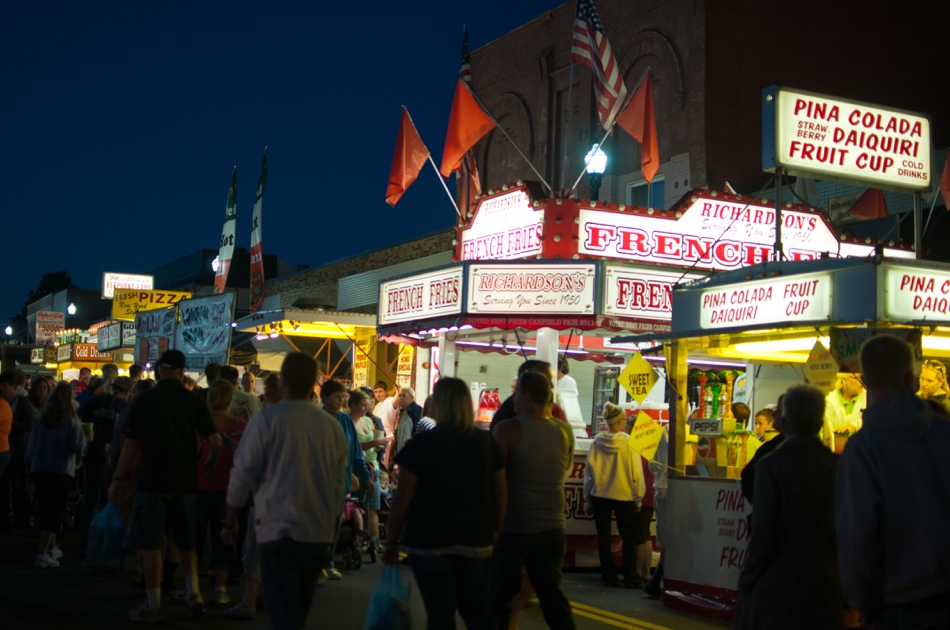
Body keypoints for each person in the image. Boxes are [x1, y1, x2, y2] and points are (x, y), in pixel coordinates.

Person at [222, 352, 348, 630]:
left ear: (283, 381)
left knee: (283, 614)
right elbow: (338, 485)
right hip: (316, 533)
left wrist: (229, 522)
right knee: (297, 611)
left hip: (276, 530)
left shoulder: (267, 420)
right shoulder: (331, 427)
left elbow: (241, 475)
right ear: (315, 384)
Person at [837, 335, 950, 628]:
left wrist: (861, 601)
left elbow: (858, 534)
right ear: (909, 378)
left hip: (894, 602)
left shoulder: (862, 448)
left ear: (864, 379)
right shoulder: (945, 433)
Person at [382, 377, 506, 629]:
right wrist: (496, 530)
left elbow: (403, 497)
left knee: (440, 614)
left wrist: (391, 540)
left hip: (430, 538)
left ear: (439, 405)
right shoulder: (486, 442)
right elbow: (501, 492)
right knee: (476, 609)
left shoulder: (421, 444)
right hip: (476, 537)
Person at [108, 350, 222, 623]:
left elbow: (131, 444)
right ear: (183, 371)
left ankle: (153, 604)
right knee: (185, 541)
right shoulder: (192, 400)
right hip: (185, 482)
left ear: (159, 369)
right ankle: (194, 593)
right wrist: (208, 464)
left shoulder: (145, 400)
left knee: (151, 544)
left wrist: (117, 478)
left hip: (152, 482)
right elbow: (215, 441)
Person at [736, 385, 842, 630]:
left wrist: (748, 579)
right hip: (827, 582)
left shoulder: (771, 467)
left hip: (780, 581)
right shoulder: (838, 466)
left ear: (782, 420)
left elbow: (764, 535)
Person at [491, 372, 576, 630]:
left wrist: (495, 527)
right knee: (552, 594)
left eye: (517, 393)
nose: (513, 397)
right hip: (553, 525)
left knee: (498, 596)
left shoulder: (507, 430)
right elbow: (565, 470)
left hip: (515, 526)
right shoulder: (564, 431)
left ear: (527, 396)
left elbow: (497, 484)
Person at [193, 380, 245, 605]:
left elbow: (193, 452)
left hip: (199, 486)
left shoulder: (201, 424)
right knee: (223, 536)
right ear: (231, 401)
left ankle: (192, 586)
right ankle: (220, 588)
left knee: (195, 537)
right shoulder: (239, 425)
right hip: (229, 488)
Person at [24, 381, 87, 568]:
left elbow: (31, 446)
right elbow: (77, 446)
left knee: (45, 509)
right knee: (55, 513)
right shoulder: (71, 420)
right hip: (60, 470)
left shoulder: (41, 419)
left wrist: (29, 469)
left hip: (40, 468)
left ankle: (51, 548)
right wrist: (87, 441)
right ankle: (42, 553)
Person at [582, 402, 645, 588]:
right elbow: (636, 473)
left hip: (600, 496)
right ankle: (630, 576)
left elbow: (589, 474)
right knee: (628, 537)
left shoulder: (596, 443)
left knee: (603, 536)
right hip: (624, 495)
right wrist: (638, 497)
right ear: (619, 422)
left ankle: (608, 576)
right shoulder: (629, 443)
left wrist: (588, 497)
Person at [319, 379, 372, 580]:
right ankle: (316, 563)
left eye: (342, 396)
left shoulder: (346, 421)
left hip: (340, 483)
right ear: (324, 397)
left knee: (334, 524)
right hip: (317, 483)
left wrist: (365, 476)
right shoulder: (318, 418)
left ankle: (328, 562)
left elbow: (356, 453)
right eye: (336, 396)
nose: (341, 400)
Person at [78, 376, 132, 553]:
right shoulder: (126, 409)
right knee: (107, 502)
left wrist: (90, 440)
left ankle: (85, 541)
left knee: (89, 500)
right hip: (111, 461)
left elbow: (80, 421)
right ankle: (103, 543)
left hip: (91, 456)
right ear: (128, 392)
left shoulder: (94, 401)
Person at [347, 390, 387, 562]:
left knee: (373, 507)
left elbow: (373, 443)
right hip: (358, 469)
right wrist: (374, 442)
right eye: (363, 405)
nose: (366, 408)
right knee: (358, 506)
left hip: (374, 467)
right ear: (353, 405)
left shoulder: (368, 420)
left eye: (367, 405)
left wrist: (378, 447)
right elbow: (353, 447)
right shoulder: (346, 422)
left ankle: (374, 542)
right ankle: (358, 539)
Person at [0, 372, 36, 533]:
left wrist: (9, 426)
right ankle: (4, 520)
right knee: (3, 487)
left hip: (17, 450)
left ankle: (20, 521)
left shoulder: (23, 403)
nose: (2, 388)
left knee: (18, 487)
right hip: (5, 449)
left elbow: (28, 424)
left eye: (5, 386)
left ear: (13, 387)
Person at [491, 360, 569, 431]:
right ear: (528, 379)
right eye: (546, 379)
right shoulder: (510, 412)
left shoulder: (555, 409)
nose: (552, 385)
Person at [643, 423, 669, 598]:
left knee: (664, 537)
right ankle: (659, 577)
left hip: (662, 489)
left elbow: (652, 467)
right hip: (682, 489)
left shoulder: (660, 435)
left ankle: (658, 577)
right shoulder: (693, 437)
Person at [820, 372, 866, 450]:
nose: (861, 382)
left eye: (862, 378)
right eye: (857, 378)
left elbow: (872, 421)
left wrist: (854, 426)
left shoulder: (867, 398)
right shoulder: (829, 402)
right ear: (844, 380)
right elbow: (827, 434)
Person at [390, 387, 423, 471]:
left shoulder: (416, 412)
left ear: (412, 397)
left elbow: (418, 434)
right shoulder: (401, 412)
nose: (400, 398)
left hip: (411, 457)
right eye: (399, 395)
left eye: (404, 396)